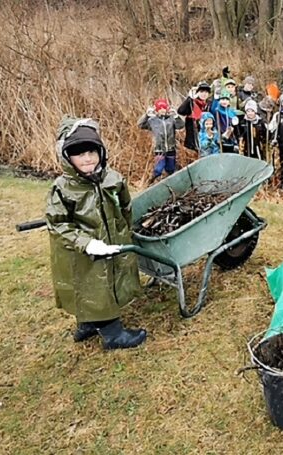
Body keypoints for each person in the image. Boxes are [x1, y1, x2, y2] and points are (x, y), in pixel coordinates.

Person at [46, 117, 146, 350]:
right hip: (81, 250)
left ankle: (89, 323)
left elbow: (126, 207)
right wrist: (87, 243)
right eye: (79, 153)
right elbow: (58, 224)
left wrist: (124, 232)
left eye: (92, 151)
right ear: (66, 157)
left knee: (108, 281)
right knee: (92, 285)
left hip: (113, 241)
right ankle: (112, 334)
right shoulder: (63, 188)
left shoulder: (113, 179)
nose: (88, 158)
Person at [138, 98, 185, 183]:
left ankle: (170, 184)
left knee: (170, 169)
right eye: (160, 108)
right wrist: (146, 115)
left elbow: (181, 125)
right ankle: (150, 181)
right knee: (158, 169)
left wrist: (176, 116)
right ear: (157, 110)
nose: (162, 110)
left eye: (164, 108)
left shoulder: (171, 119)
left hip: (171, 148)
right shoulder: (152, 121)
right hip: (159, 149)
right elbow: (140, 125)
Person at [177, 81, 212, 152]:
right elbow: (181, 111)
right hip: (192, 139)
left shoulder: (209, 105)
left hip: (205, 139)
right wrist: (189, 98)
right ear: (198, 92)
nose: (204, 94)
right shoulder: (191, 103)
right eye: (201, 91)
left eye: (206, 92)